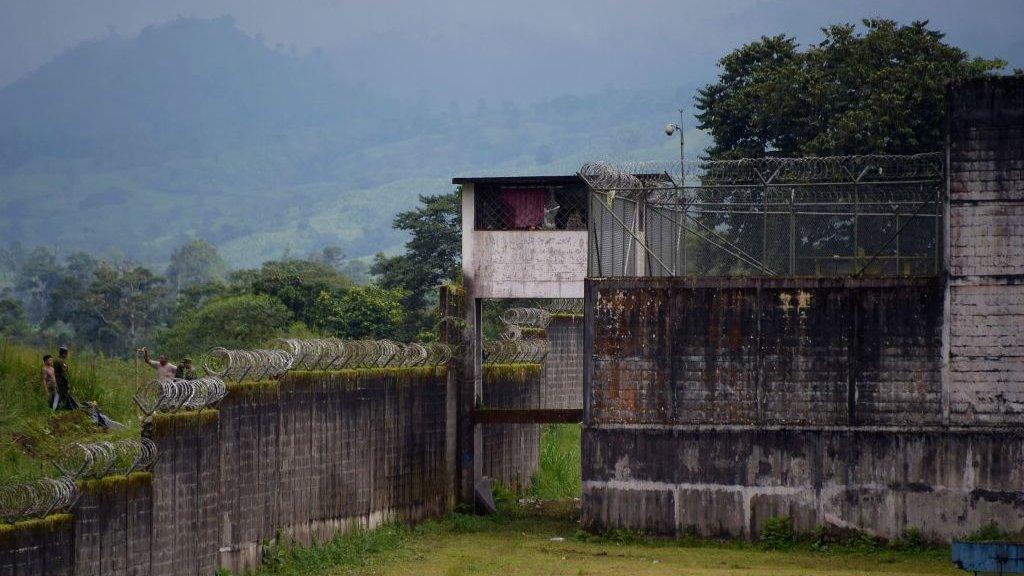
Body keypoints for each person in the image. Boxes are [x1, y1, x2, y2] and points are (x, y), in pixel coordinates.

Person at [52, 345, 79, 410]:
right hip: (60, 383)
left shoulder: (54, 360)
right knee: (60, 397)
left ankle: (54, 409)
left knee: (55, 396)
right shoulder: (62, 362)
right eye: (67, 353)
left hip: (54, 381)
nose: (67, 355)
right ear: (64, 354)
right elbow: (64, 375)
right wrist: (67, 384)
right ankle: (55, 410)